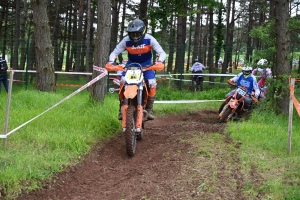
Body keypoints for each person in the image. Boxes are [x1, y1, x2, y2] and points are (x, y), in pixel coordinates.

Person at [105, 18, 166, 120]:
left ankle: (150, 109)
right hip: (131, 65)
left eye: (137, 34)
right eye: (132, 34)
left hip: (147, 65)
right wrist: (111, 62)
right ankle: (121, 107)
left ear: (143, 32)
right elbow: (114, 53)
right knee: (123, 81)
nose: (135, 36)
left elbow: (162, 52)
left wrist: (159, 62)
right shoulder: (126, 40)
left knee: (152, 82)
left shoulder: (149, 39)